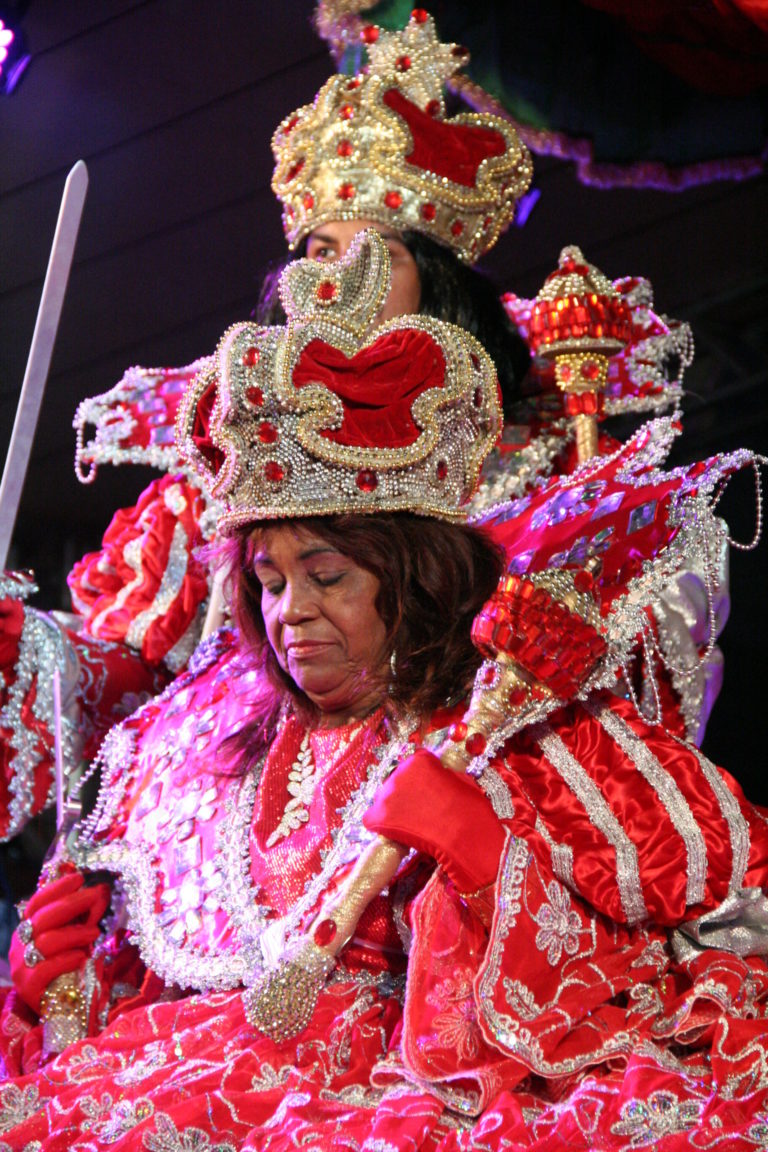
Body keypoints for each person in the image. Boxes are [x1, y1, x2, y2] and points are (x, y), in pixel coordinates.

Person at [1, 230, 767, 1150]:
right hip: (205, 1070)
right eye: (269, 583)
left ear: (415, 577)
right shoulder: (194, 751)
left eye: (326, 576)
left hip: (411, 1088)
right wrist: (63, 988)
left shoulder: (523, 726)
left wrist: (484, 857)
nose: (290, 611)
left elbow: (709, 929)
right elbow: (142, 992)